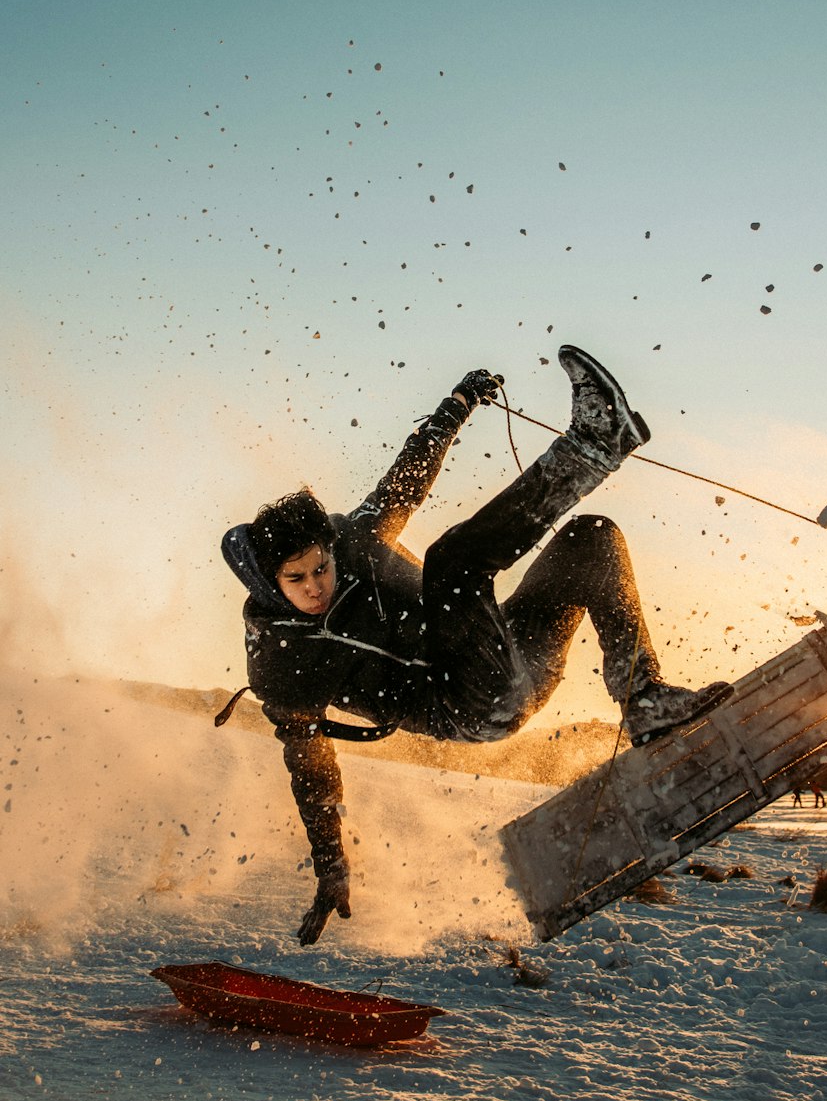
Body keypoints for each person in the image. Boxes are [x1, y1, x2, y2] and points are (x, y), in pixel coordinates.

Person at [222, 345, 733, 945]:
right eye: (297, 579)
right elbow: (309, 764)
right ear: (270, 585)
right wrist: (331, 864)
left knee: (592, 540)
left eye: (321, 566)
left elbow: (409, 474)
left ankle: (641, 694)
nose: (316, 585)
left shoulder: (354, 539)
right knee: (454, 562)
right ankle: (595, 446)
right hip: (465, 704)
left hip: (509, 656)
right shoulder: (281, 663)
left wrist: (458, 405)